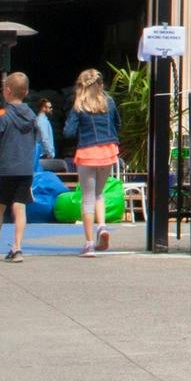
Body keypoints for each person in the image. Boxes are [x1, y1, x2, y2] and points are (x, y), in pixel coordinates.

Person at [0, 72, 52, 261]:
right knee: (20, 207)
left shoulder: (1, 115)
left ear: (7, 91)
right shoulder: (33, 117)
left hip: (6, 168)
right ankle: (17, 248)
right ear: (26, 92)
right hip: (25, 168)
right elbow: (37, 139)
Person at [66, 67, 121, 256]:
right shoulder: (109, 102)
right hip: (108, 151)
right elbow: (117, 124)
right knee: (99, 193)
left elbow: (69, 132)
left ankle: (89, 244)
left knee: (87, 198)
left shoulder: (79, 105)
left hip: (87, 152)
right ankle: (102, 227)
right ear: (101, 84)